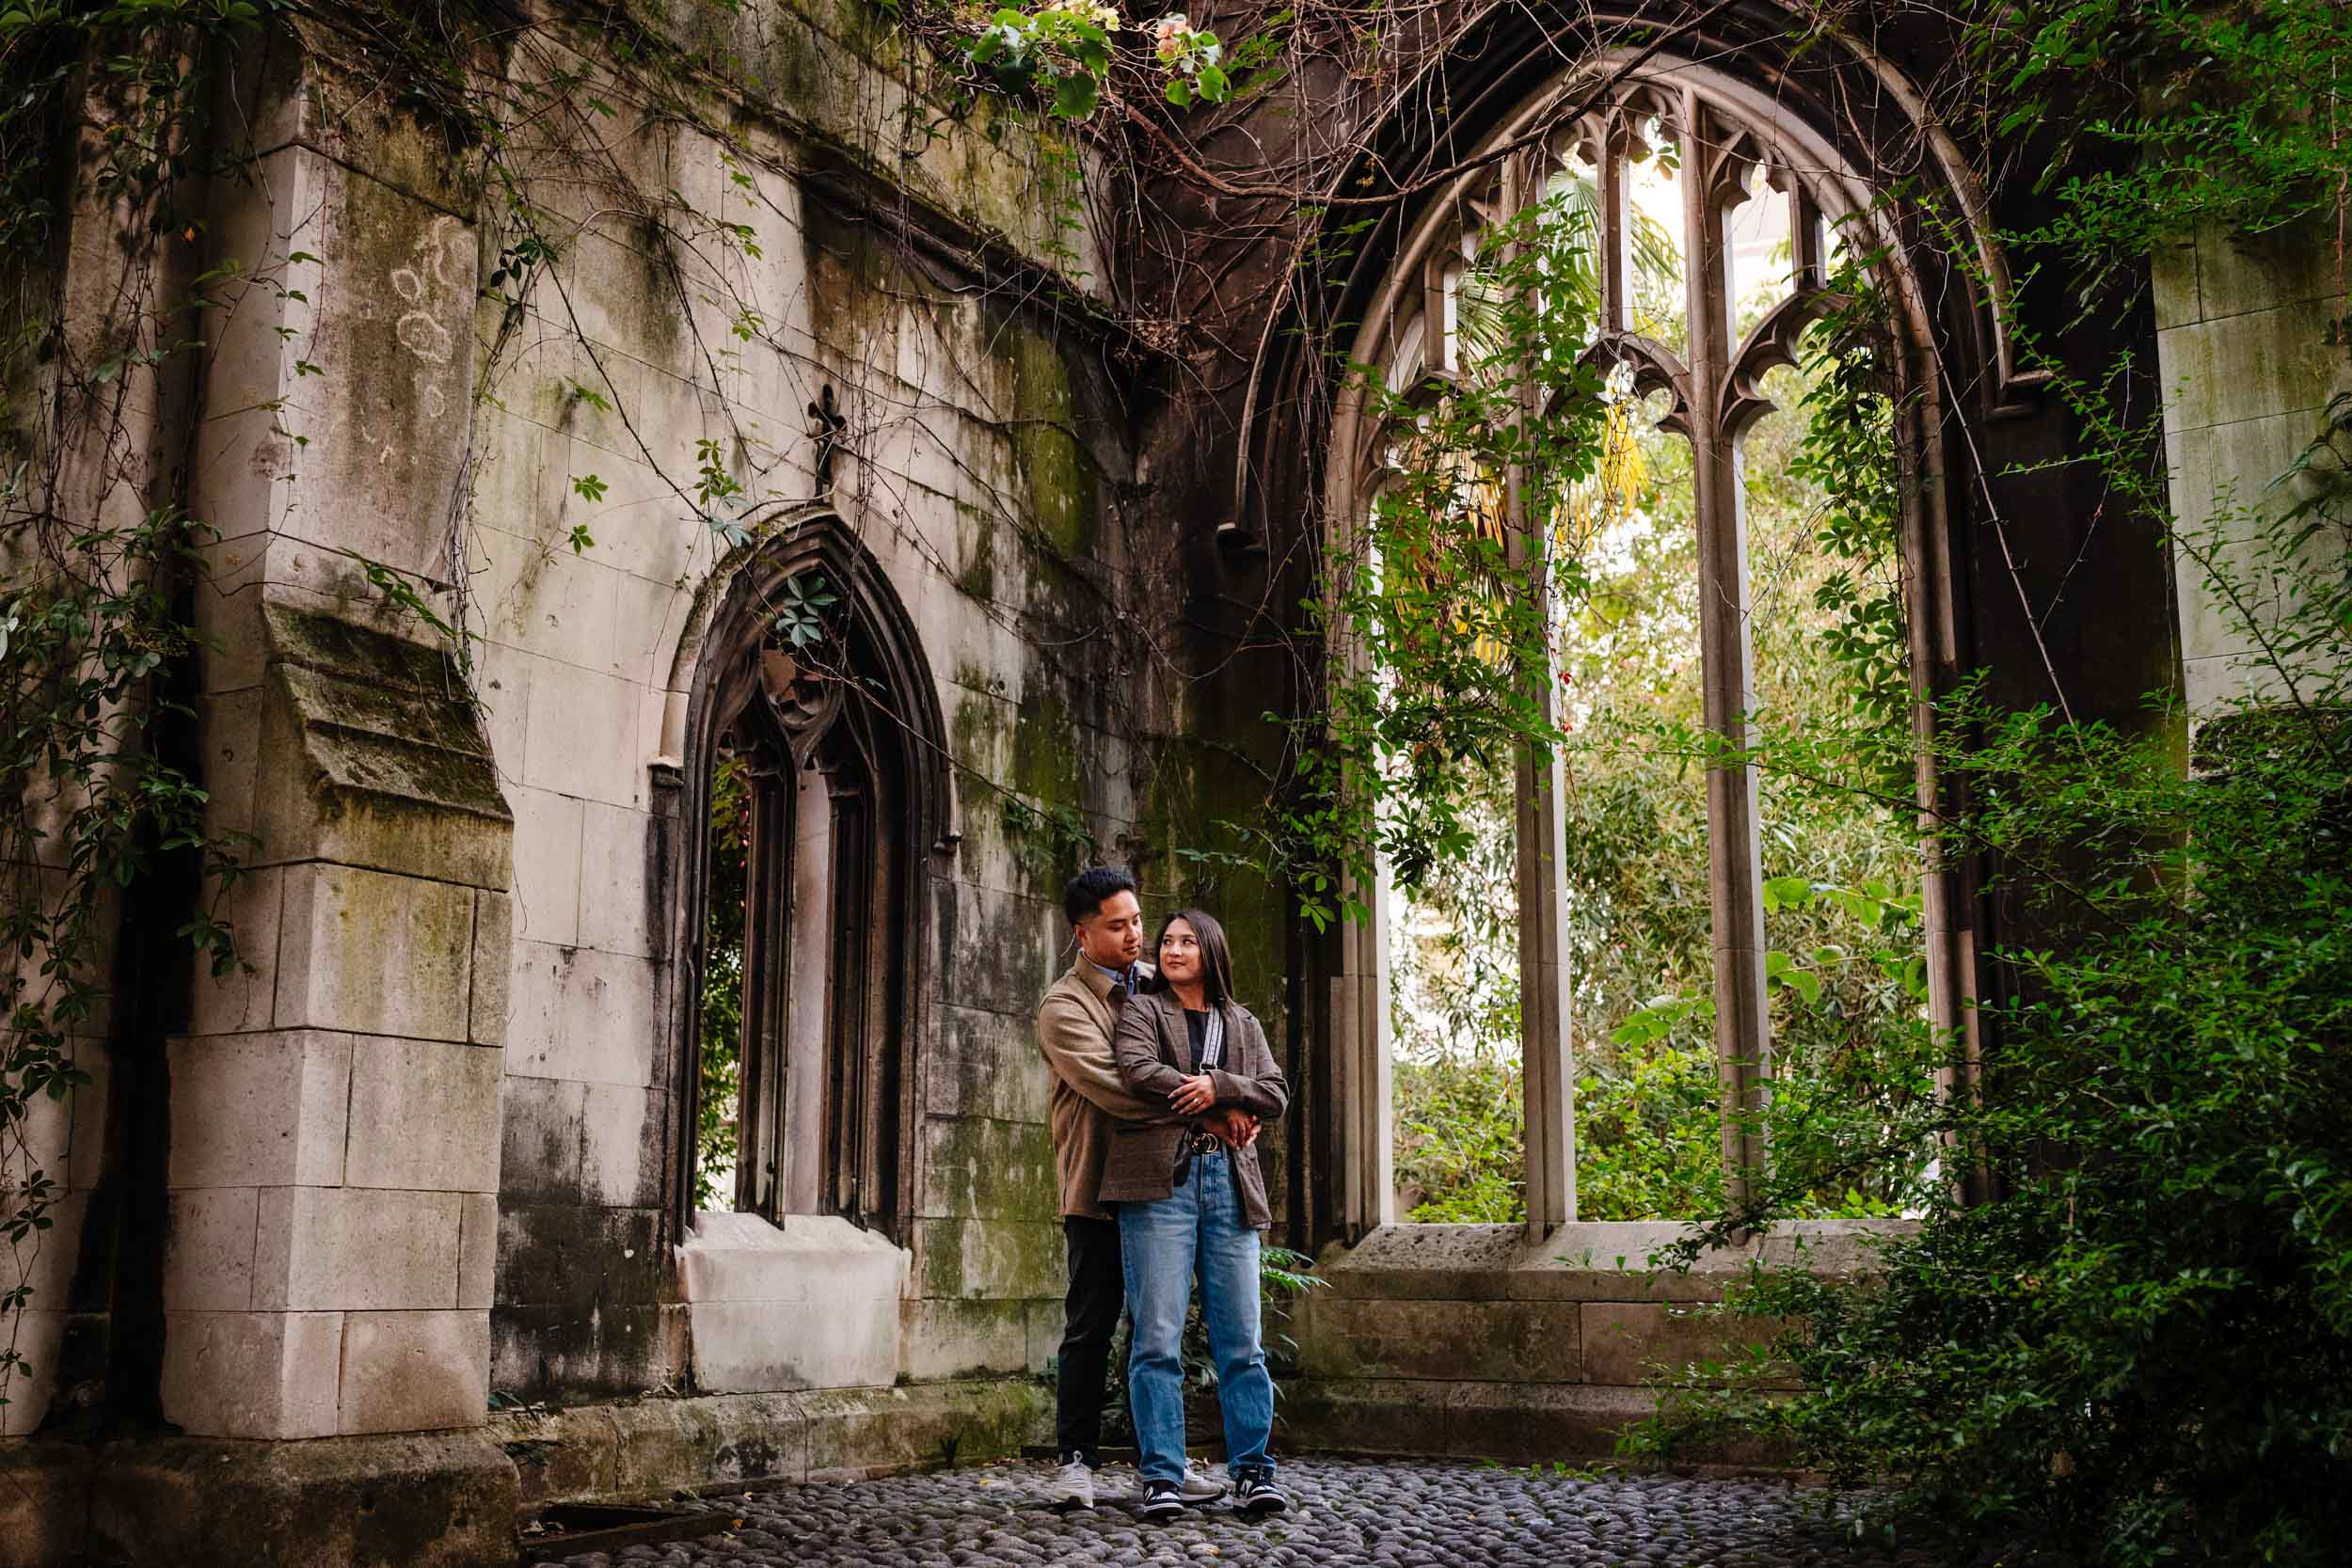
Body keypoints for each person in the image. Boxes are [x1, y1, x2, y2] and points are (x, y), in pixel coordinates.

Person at [1035, 869, 1256, 1513]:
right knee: (1092, 1324)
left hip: (1165, 1183)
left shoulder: (1162, 987)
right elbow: (1119, 1087)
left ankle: (1162, 1462)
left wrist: (1240, 1100)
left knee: (1156, 1328)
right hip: (1098, 1185)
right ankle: (1076, 1460)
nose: (1137, 934)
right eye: (1117, 924)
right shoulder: (1064, 1006)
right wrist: (1211, 1112)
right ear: (1083, 932)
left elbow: (1216, 1056)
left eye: (1137, 920)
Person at [1105, 908, 1291, 1521]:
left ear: (1211, 949)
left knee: (1243, 1340)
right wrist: (1211, 1101)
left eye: (1188, 940)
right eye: (1167, 940)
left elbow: (1276, 1091)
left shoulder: (1243, 1022)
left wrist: (1223, 1086)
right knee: (1157, 1336)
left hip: (1231, 1183)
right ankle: (1161, 1476)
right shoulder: (1142, 1011)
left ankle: (1253, 1473)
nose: (1174, 948)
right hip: (1160, 1185)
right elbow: (1136, 1071)